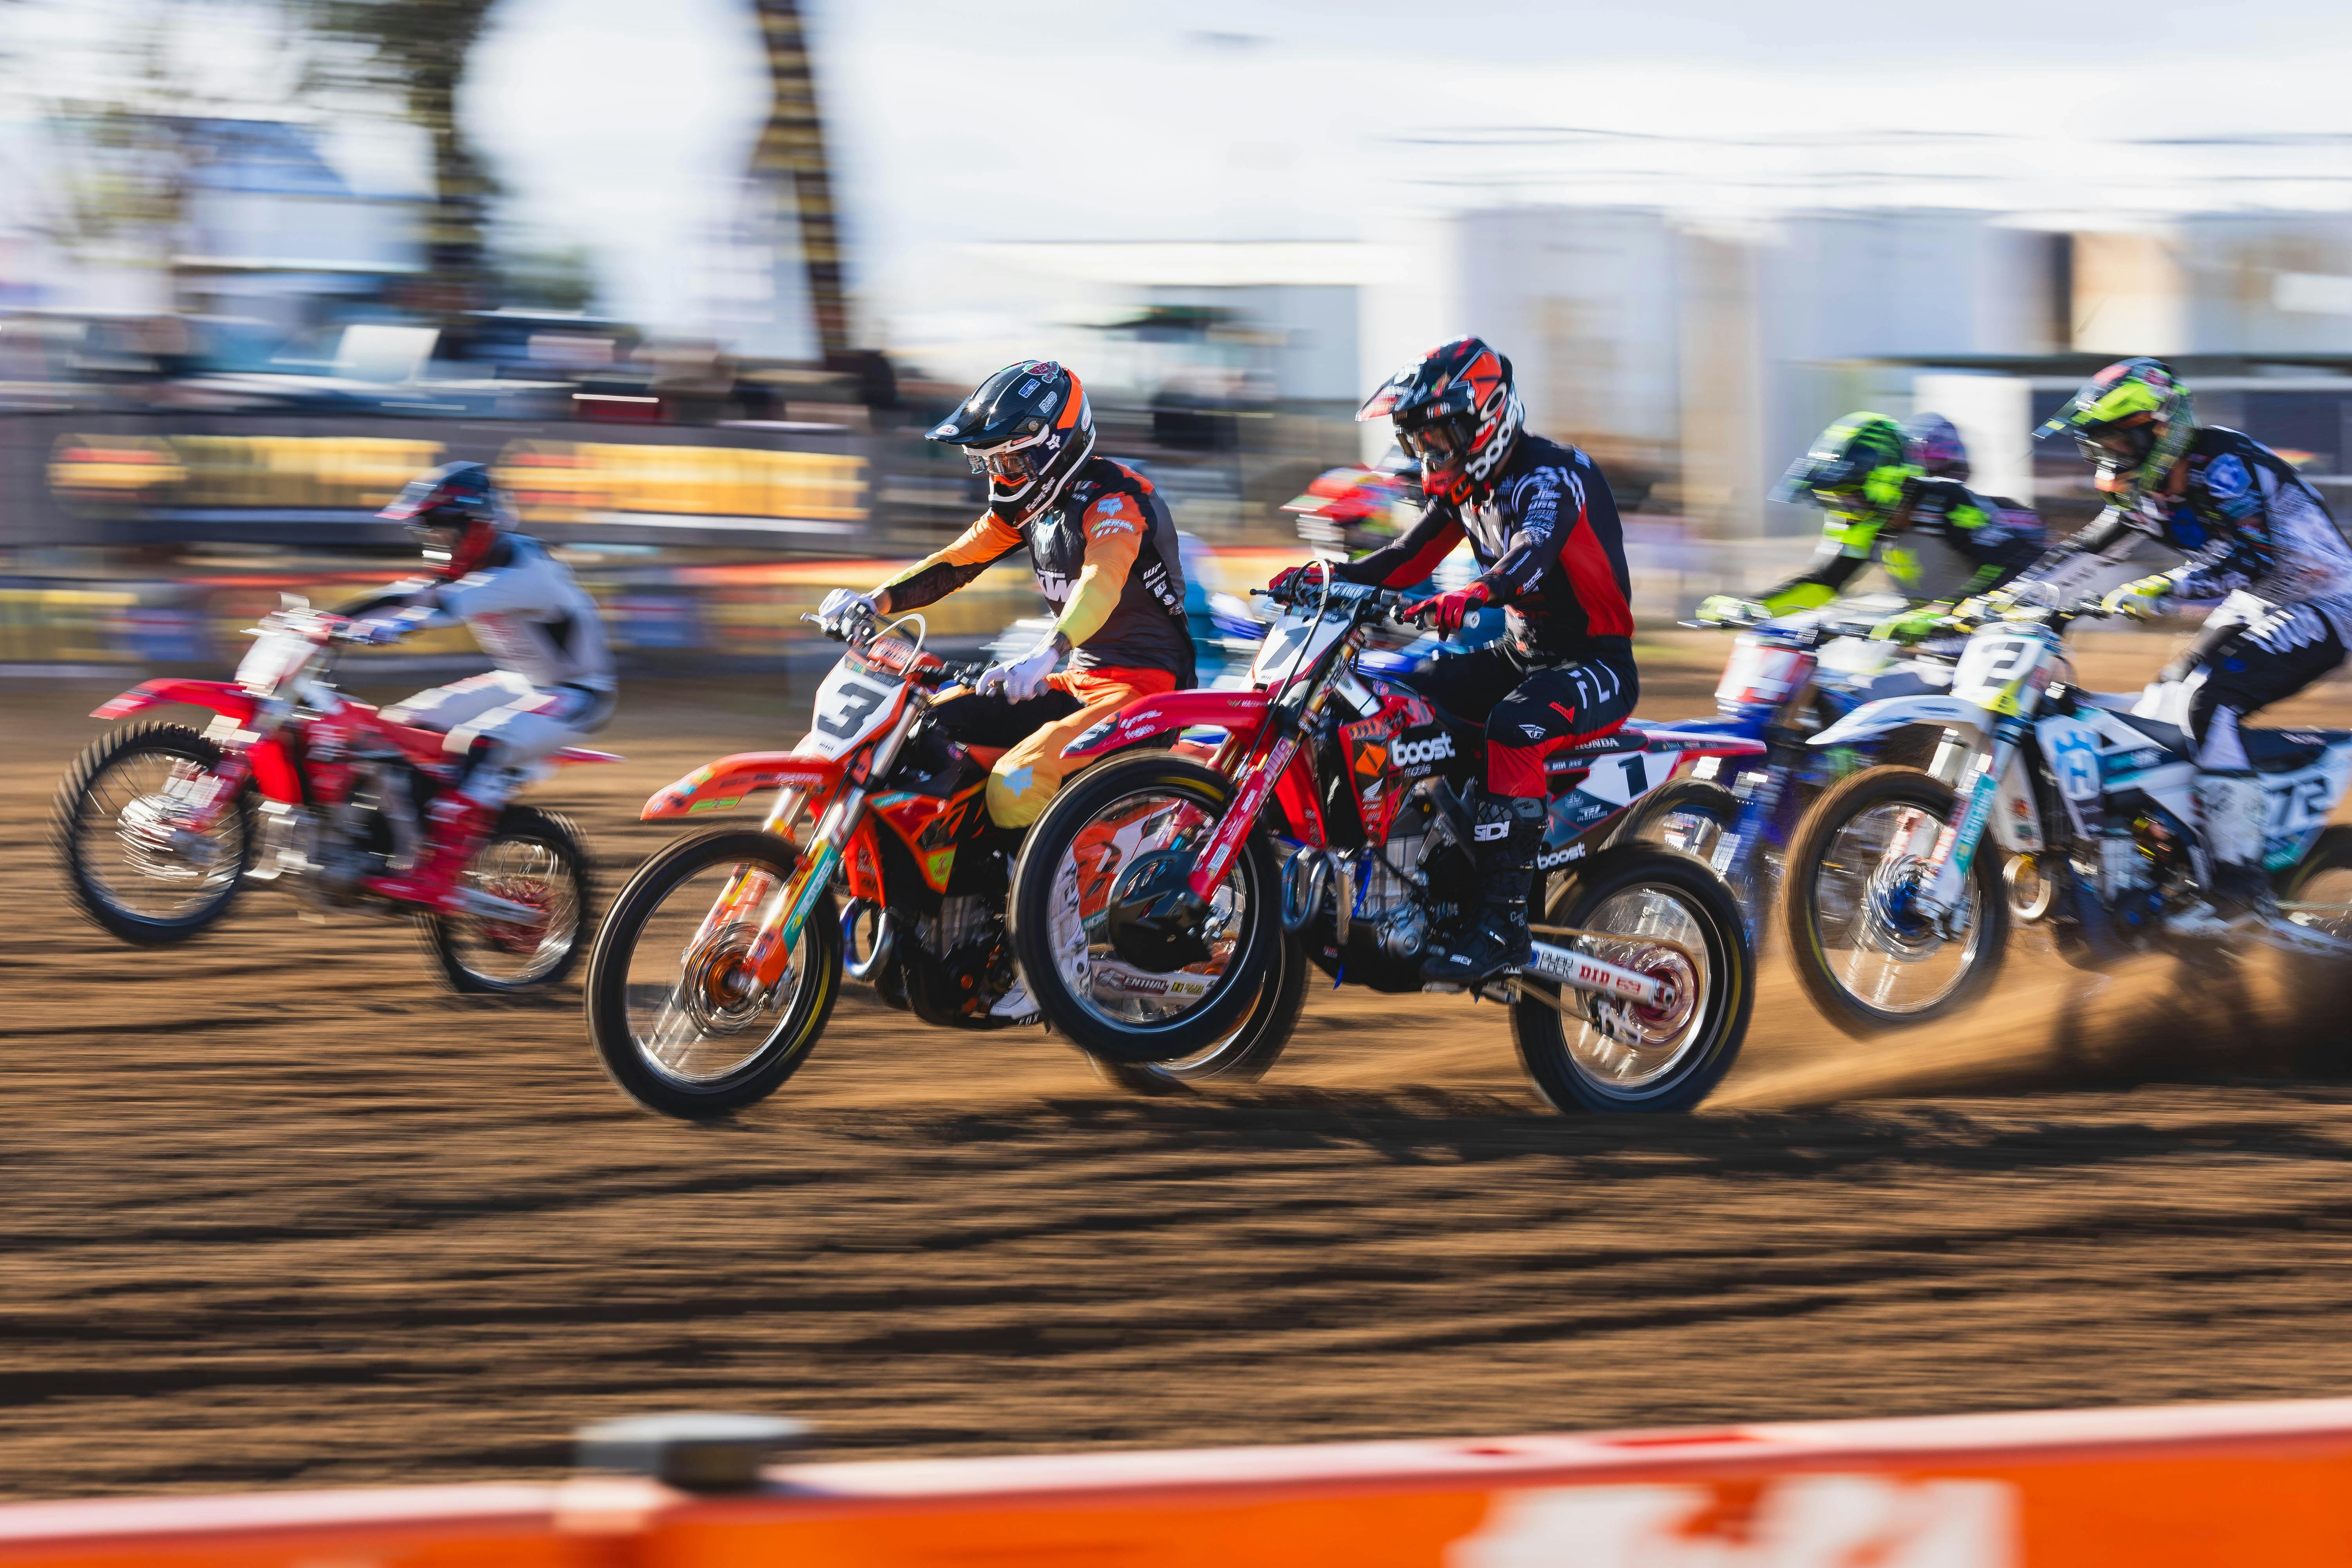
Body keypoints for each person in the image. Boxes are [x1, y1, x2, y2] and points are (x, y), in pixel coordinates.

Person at [1275, 335, 1638, 986]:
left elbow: (1530, 552)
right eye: (1419, 442)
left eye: (1439, 438)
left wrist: (1476, 593)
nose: (1429, 454)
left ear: (1488, 418)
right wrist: (1324, 580)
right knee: (1392, 691)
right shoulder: (1468, 487)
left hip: (1595, 664)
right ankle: (1414, 867)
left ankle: (1501, 924)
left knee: (1514, 727)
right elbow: (1403, 560)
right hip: (1520, 655)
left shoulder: (1551, 474)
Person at [2030, 356, 2352, 930]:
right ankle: (2175, 855)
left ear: (2160, 428)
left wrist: (2164, 586)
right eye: (2099, 445)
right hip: (2262, 598)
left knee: (2211, 701)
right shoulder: (2151, 492)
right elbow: (2083, 553)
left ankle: (2241, 879)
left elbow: (2255, 558)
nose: (2110, 458)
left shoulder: (2222, 465)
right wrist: (2004, 602)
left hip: (2324, 602)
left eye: (2116, 442)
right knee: (2165, 699)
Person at [815, 359, 1192, 835]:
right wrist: (873, 602)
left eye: (1010, 461)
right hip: (1079, 682)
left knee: (1016, 783)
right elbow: (957, 561)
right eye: (992, 462)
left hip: (1145, 695)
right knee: (921, 730)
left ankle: (1044, 901)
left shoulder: (1116, 499)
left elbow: (1103, 579)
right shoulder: (1034, 507)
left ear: (1054, 448)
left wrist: (1046, 653)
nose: (1001, 475)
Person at [340, 461, 616, 910]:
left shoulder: (526, 572)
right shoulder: (480, 563)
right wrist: (329, 618)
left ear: (478, 526)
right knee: (398, 727)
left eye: (444, 532)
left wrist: (395, 627)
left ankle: (440, 870)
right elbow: (410, 591)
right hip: (520, 682)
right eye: (429, 533)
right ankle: (397, 841)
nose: (436, 544)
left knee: (480, 744)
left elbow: (443, 604)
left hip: (577, 694)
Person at [1697, 413, 2045, 638]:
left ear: (1887, 483)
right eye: (1832, 499)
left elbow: (2012, 566)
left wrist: (1942, 611)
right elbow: (1825, 584)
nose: (1841, 509)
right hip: (1924, 633)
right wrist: (1754, 607)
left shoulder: (1947, 503)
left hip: (1995, 636)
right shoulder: (1863, 521)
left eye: (1847, 496)